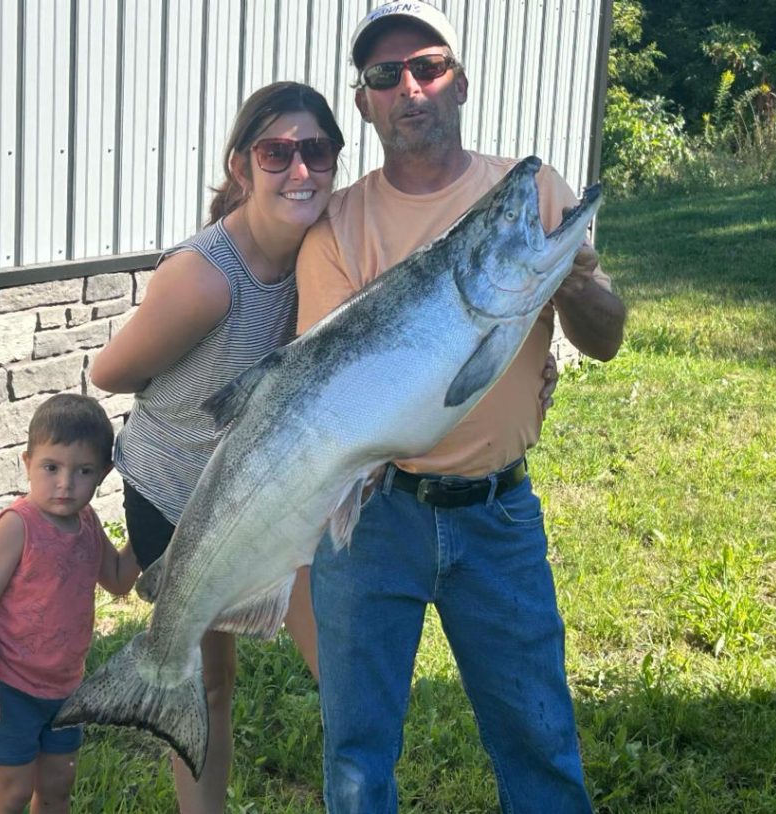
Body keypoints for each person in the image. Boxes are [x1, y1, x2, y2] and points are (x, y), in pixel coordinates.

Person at [295, 3, 627, 813]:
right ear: (366, 99)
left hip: (497, 514)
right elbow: (335, 398)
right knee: (358, 758)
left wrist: (576, 280)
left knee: (540, 741)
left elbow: (609, 336)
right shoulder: (337, 226)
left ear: (461, 81)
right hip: (374, 518)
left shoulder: (529, 192)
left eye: (429, 66)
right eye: (385, 75)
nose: (409, 87)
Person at [89, 81, 345, 814]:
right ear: (242, 167)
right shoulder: (206, 279)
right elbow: (110, 373)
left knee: (345, 670)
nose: (300, 170)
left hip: (270, 490)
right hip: (176, 494)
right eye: (276, 152)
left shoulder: (328, 247)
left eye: (316, 151)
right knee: (204, 683)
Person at [0, 393, 136, 814]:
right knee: (13, 792)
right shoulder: (18, 527)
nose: (65, 484)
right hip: (8, 687)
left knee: (57, 789)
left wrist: (149, 530)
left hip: (65, 688)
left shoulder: (87, 522)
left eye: (83, 471)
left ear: (103, 474)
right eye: (51, 467)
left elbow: (118, 580)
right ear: (27, 462)